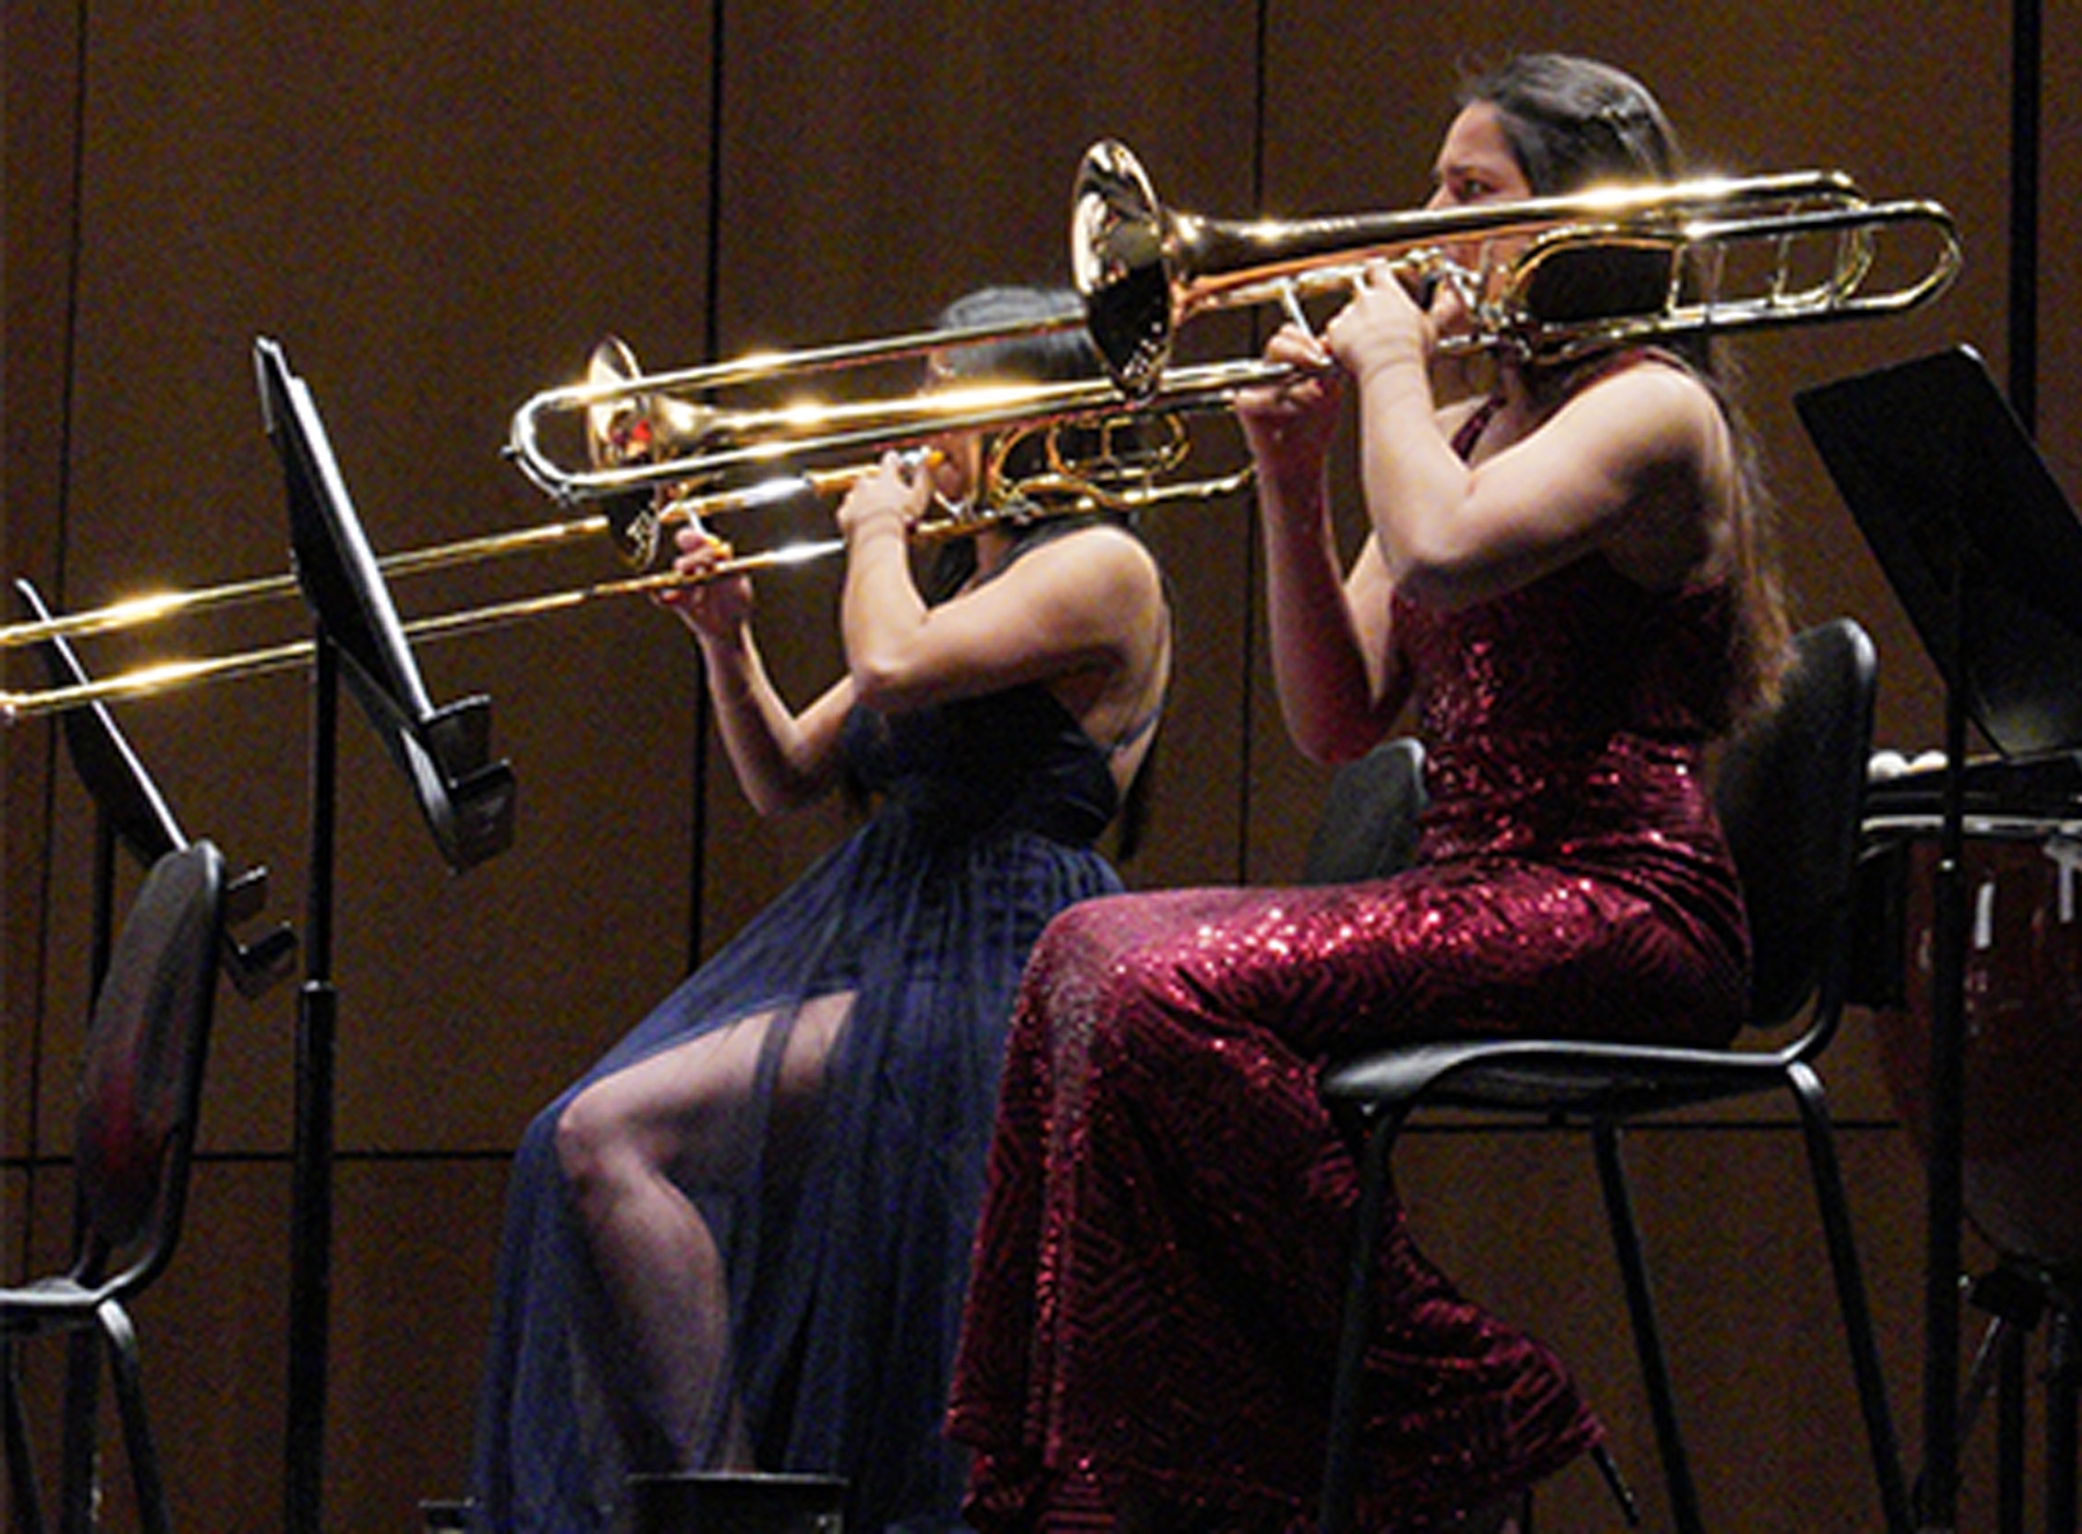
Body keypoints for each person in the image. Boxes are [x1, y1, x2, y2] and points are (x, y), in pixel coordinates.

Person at [947, 52, 1790, 1532]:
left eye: (1470, 190)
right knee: (1078, 952)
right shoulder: (1459, 436)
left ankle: (1455, 1386)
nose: (1424, 220)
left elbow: (1448, 552)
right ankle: (1130, 1482)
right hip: (1477, 891)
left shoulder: (1655, 411)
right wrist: (1293, 476)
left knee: (1146, 985)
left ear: (1577, 216)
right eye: (1435, 182)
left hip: (1621, 899)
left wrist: (1392, 368)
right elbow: (1338, 719)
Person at [467, 285, 1173, 1534]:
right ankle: (726, 1502)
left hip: (1002, 966)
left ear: (1043, 405)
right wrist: (724, 637)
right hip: (901, 937)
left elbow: (892, 666)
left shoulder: (1103, 565)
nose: (916, 412)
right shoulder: (959, 577)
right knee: (591, 1141)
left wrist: (876, 532)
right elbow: (790, 772)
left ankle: (740, 1514)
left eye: (949, 383)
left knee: (607, 1137)